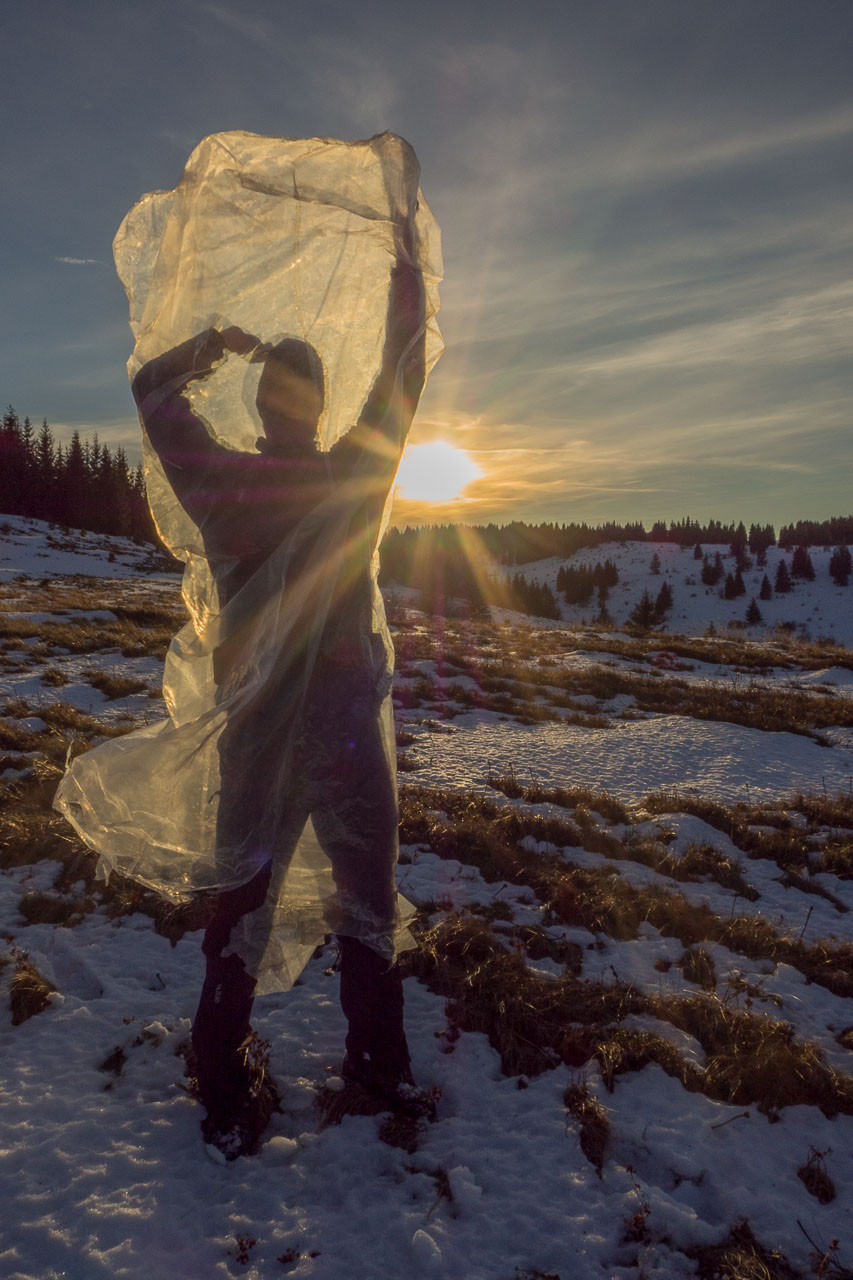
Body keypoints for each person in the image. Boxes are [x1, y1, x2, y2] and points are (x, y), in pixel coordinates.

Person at [131, 226, 429, 1157]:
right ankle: (377, 1077)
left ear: (262, 403)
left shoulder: (220, 481)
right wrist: (406, 273)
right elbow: (405, 379)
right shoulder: (353, 477)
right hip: (341, 730)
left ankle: (221, 1083)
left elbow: (151, 393)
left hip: (258, 734)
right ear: (319, 405)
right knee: (365, 907)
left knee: (239, 903)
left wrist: (210, 345)